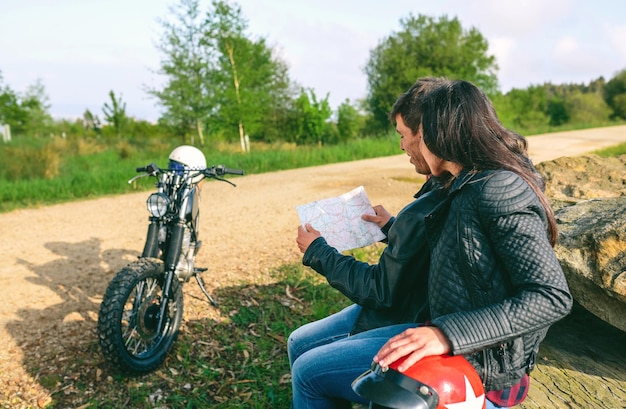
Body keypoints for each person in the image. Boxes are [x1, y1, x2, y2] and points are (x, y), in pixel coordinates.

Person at [371, 80, 573, 408]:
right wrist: (391, 228)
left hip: (482, 366)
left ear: (441, 133)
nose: (414, 146)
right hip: (451, 339)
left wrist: (446, 334)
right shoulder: (462, 183)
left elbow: (551, 297)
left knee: (311, 372)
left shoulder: (497, 189)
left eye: (421, 134)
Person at [289, 77, 451, 408]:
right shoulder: (445, 186)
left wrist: (318, 251)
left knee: (306, 366)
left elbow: (379, 290)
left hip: (410, 316)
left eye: (403, 136)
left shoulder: (437, 200)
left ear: (426, 135)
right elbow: (425, 251)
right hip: (412, 305)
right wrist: (393, 228)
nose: (402, 146)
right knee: (298, 341)